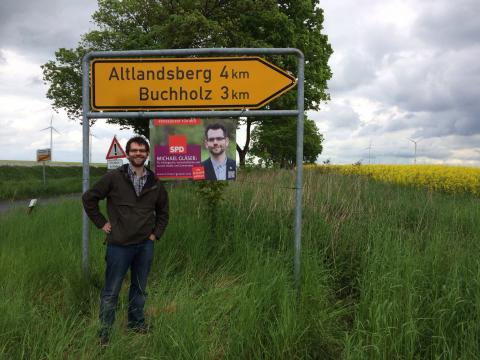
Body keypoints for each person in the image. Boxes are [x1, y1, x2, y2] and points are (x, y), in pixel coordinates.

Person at [82, 136, 168, 344]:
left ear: (147, 154)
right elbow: (89, 198)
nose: (138, 153)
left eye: (142, 150)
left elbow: (163, 212)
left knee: (139, 288)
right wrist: (102, 223)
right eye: (134, 150)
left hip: (145, 246)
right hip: (119, 245)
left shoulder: (155, 182)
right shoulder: (114, 177)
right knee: (111, 291)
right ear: (128, 153)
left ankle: (136, 325)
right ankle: (105, 334)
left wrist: (155, 234)